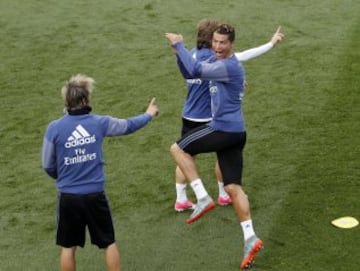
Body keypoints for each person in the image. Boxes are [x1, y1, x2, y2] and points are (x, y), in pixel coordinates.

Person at [166, 23, 279, 269]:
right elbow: (192, 72)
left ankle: (203, 197)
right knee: (233, 187)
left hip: (222, 130)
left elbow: (195, 68)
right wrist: (179, 55)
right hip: (237, 133)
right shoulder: (227, 66)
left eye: (223, 43)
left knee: (178, 149)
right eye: (215, 42)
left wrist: (177, 44)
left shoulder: (227, 66)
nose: (217, 46)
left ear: (232, 44)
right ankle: (250, 237)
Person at [41, 74, 159, 271]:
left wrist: (63, 178)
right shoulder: (99, 123)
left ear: (67, 101)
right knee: (108, 243)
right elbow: (128, 126)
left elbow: (47, 164)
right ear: (86, 100)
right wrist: (148, 114)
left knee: (68, 247)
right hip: (95, 195)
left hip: (68, 197)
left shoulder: (54, 128)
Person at [174, 20, 284, 212]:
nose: (218, 44)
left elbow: (189, 71)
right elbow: (240, 57)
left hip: (189, 113)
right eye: (216, 40)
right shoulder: (214, 57)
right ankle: (223, 194)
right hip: (210, 116)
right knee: (219, 155)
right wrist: (270, 44)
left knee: (187, 156)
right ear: (211, 39)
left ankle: (181, 198)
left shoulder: (191, 53)